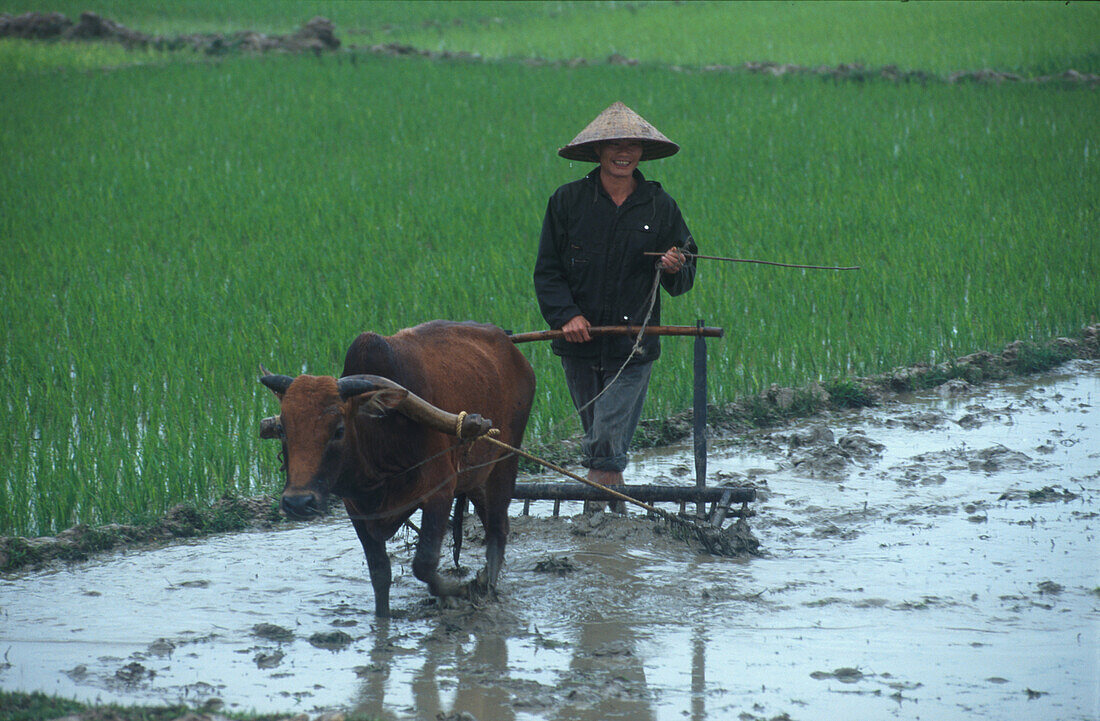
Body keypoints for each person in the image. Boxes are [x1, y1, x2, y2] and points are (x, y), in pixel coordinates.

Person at [533, 101, 698, 512]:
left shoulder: (661, 207)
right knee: (604, 441)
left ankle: (593, 527)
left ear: (642, 153)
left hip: (634, 345)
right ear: (598, 151)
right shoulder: (567, 202)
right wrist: (565, 315)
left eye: (632, 146)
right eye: (614, 145)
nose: (623, 153)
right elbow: (548, 271)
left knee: (604, 439)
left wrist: (675, 266)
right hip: (579, 343)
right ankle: (616, 522)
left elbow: (685, 272)